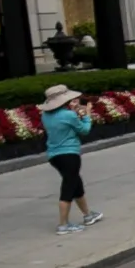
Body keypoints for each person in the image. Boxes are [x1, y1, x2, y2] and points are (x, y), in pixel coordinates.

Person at [39, 85, 103, 235]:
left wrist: (74, 113)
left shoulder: (45, 115)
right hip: (69, 155)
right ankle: (63, 225)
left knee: (76, 185)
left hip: (54, 156)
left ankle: (88, 215)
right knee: (68, 189)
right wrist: (86, 115)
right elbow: (84, 130)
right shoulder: (68, 115)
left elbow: (62, 127)